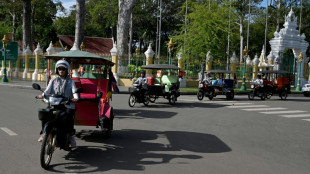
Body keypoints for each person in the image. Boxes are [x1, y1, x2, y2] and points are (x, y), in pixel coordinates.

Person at [37, 59, 79, 147]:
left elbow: (74, 91)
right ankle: (44, 133)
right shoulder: (53, 80)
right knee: (45, 114)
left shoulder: (70, 81)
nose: (61, 71)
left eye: (63, 69)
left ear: (66, 70)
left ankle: (71, 135)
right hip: (55, 104)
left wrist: (75, 97)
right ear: (57, 69)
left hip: (68, 104)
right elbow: (47, 91)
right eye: (59, 69)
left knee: (68, 117)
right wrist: (42, 95)